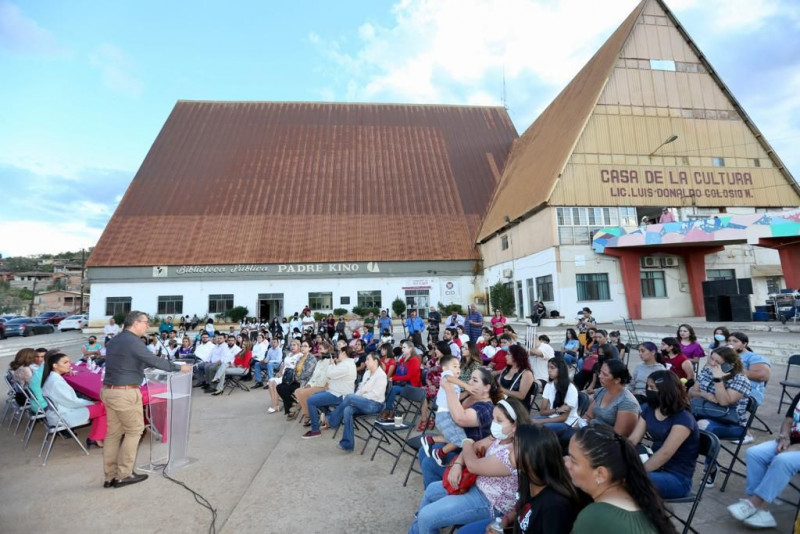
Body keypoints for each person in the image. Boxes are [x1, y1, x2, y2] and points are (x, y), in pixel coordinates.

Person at [409, 399, 530, 534]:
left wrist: (465, 441)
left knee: (426, 516)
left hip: (491, 503)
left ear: (515, 426)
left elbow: (473, 464)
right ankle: (416, 531)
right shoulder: (500, 437)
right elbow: (475, 446)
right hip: (477, 486)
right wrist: (458, 463)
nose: (494, 423)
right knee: (431, 490)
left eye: (499, 420)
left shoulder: (515, 453)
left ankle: (418, 528)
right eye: (494, 419)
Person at [101, 311, 192, 488]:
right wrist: (179, 368)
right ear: (135, 323)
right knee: (134, 431)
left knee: (113, 434)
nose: (147, 326)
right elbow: (154, 361)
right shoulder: (133, 342)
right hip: (125, 393)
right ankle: (124, 475)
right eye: (145, 322)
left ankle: (109, 476)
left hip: (109, 391)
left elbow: (128, 362)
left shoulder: (115, 340)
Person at [460, 423, 583, 534]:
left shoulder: (554, 506)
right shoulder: (527, 477)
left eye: (515, 445)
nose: (508, 449)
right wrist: (506, 520)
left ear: (531, 455)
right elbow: (523, 507)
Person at [565, 425, 676, 534]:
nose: (566, 463)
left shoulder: (595, 517)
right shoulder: (642, 500)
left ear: (600, 474)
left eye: (573, 460)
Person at [726, 390, 800, 529]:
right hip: (791, 441)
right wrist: (785, 436)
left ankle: (754, 503)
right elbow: (789, 420)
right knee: (754, 453)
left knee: (783, 460)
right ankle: (762, 509)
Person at [629, 371, 699, 499]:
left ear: (666, 391)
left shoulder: (683, 419)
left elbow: (665, 453)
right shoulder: (650, 409)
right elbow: (633, 439)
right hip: (655, 468)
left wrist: (637, 472)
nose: (648, 391)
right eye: (648, 387)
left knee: (628, 482)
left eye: (652, 388)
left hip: (677, 478)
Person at [689, 346, 751, 487]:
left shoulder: (740, 380)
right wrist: (705, 395)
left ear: (729, 365)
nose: (711, 363)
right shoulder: (706, 370)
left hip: (733, 425)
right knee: (681, 421)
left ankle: (710, 467)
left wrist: (718, 380)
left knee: (703, 426)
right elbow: (691, 393)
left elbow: (724, 401)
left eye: (717, 362)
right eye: (711, 358)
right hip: (703, 413)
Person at [41, 351, 107, 448]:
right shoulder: (56, 382)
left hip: (61, 410)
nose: (69, 364)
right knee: (105, 406)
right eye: (65, 362)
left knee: (101, 406)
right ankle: (97, 437)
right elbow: (72, 402)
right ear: (55, 365)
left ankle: (96, 437)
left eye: (69, 361)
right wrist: (91, 402)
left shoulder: (52, 377)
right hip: (64, 414)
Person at [327, 352, 388, 452]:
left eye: (368, 360)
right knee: (347, 409)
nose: (365, 362)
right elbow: (361, 387)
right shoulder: (367, 372)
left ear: (375, 361)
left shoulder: (381, 375)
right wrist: (358, 397)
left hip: (375, 405)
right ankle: (347, 443)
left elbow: (375, 394)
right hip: (364, 402)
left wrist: (358, 398)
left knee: (350, 397)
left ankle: (332, 420)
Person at [419, 354, 472, 465]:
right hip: (445, 414)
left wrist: (468, 393)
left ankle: (431, 441)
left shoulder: (454, 383)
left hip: (446, 414)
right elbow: (448, 378)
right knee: (462, 441)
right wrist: (467, 386)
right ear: (445, 369)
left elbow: (458, 397)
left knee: (454, 437)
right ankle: (440, 453)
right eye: (454, 366)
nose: (458, 369)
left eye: (458, 367)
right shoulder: (447, 377)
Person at [302, 345, 358, 438]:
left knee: (311, 400)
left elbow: (329, 374)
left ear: (344, 353)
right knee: (315, 396)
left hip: (339, 394)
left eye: (339, 352)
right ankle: (328, 419)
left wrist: (331, 364)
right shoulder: (345, 363)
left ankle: (315, 430)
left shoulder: (346, 365)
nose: (338, 354)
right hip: (334, 391)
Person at [582, 359, 640, 439]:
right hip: (591, 432)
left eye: (605, 375)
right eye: (600, 372)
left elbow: (619, 436)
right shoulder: (602, 391)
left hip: (606, 441)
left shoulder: (627, 403)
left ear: (617, 380)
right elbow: (588, 416)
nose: (599, 376)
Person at [532, 356, 580, 440]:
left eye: (552, 368)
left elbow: (563, 418)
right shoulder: (549, 385)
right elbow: (542, 411)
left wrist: (539, 421)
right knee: (527, 424)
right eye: (548, 367)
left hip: (567, 423)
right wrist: (556, 410)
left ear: (561, 370)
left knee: (540, 429)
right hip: (552, 417)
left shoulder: (570, 389)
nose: (549, 370)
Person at [379, 340, 422, 421]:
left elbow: (409, 376)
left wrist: (394, 378)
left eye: (404, 347)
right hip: (403, 384)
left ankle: (388, 410)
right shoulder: (403, 359)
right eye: (402, 347)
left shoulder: (414, 360)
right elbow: (398, 373)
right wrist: (393, 378)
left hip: (412, 387)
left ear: (410, 349)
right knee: (387, 385)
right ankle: (387, 409)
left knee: (393, 388)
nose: (402, 349)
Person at [276, 339, 317, 418]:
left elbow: (308, 373)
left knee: (285, 388)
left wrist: (296, 377)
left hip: (305, 382)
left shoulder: (312, 359)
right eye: (302, 346)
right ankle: (294, 403)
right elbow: (294, 370)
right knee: (280, 387)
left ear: (310, 348)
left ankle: (290, 411)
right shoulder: (300, 358)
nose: (302, 348)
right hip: (296, 380)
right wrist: (294, 377)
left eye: (305, 346)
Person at [728, 331, 771, 407]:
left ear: (744, 344)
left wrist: (735, 369)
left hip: (750, 393)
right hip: (730, 388)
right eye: (729, 341)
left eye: (735, 341)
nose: (731, 343)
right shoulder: (727, 356)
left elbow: (762, 376)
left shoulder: (754, 357)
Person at [267, 340, 302, 414]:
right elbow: (283, 364)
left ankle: (275, 405)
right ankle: (275, 403)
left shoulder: (300, 356)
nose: (292, 346)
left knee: (275, 383)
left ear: (299, 346)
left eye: (294, 345)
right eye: (291, 345)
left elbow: (298, 368)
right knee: (270, 381)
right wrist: (279, 372)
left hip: (291, 378)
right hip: (284, 375)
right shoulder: (289, 354)